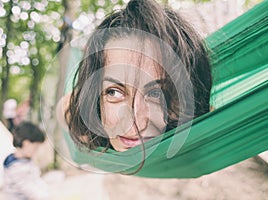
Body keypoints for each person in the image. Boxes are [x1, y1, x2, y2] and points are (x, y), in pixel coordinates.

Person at [64, 0, 212, 152]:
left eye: (156, 93)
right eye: (114, 92)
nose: (135, 122)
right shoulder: (79, 119)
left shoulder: (204, 125)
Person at [3, 122, 50, 200]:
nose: (36, 151)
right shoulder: (16, 169)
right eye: (36, 147)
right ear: (26, 144)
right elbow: (32, 192)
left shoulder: (22, 161)